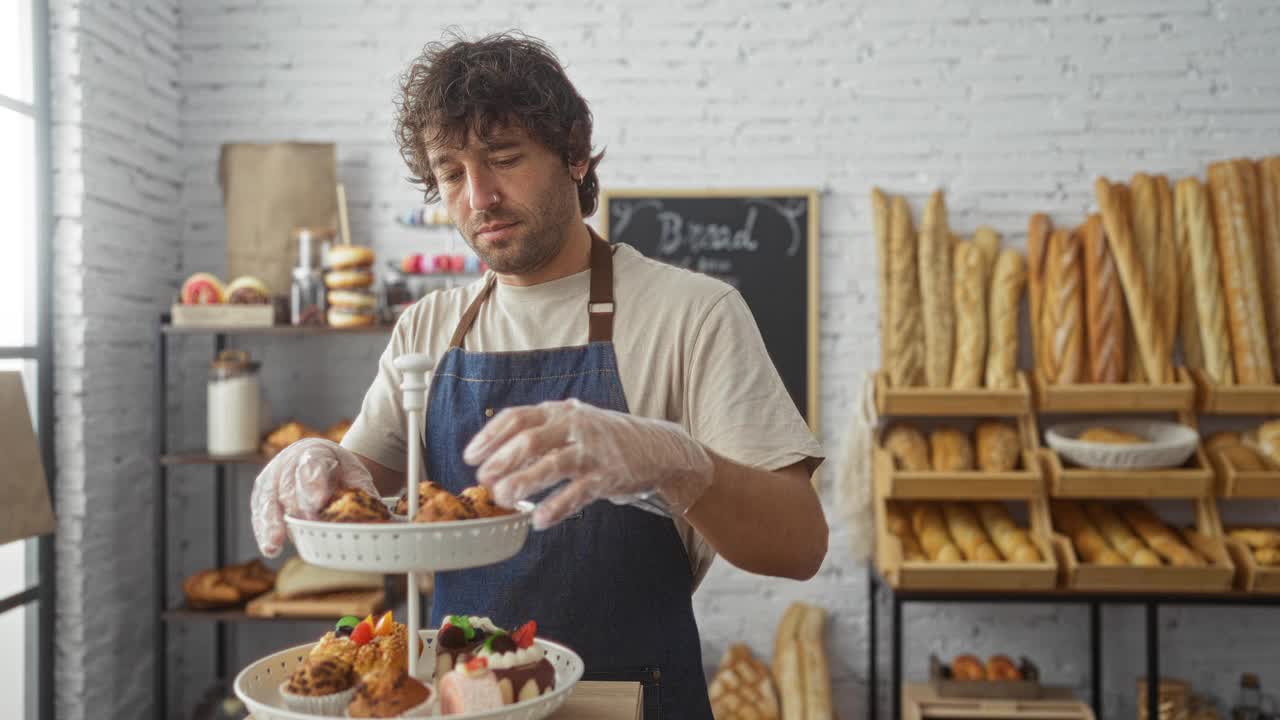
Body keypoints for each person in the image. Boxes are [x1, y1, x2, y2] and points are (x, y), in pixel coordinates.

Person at [250, 30, 827, 718]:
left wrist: (678, 463)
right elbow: (366, 487)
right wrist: (320, 462)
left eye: (504, 159)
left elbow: (800, 545)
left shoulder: (693, 314)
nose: (479, 197)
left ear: (576, 155)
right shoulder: (427, 329)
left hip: (632, 702)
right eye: (452, 173)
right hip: (465, 703)